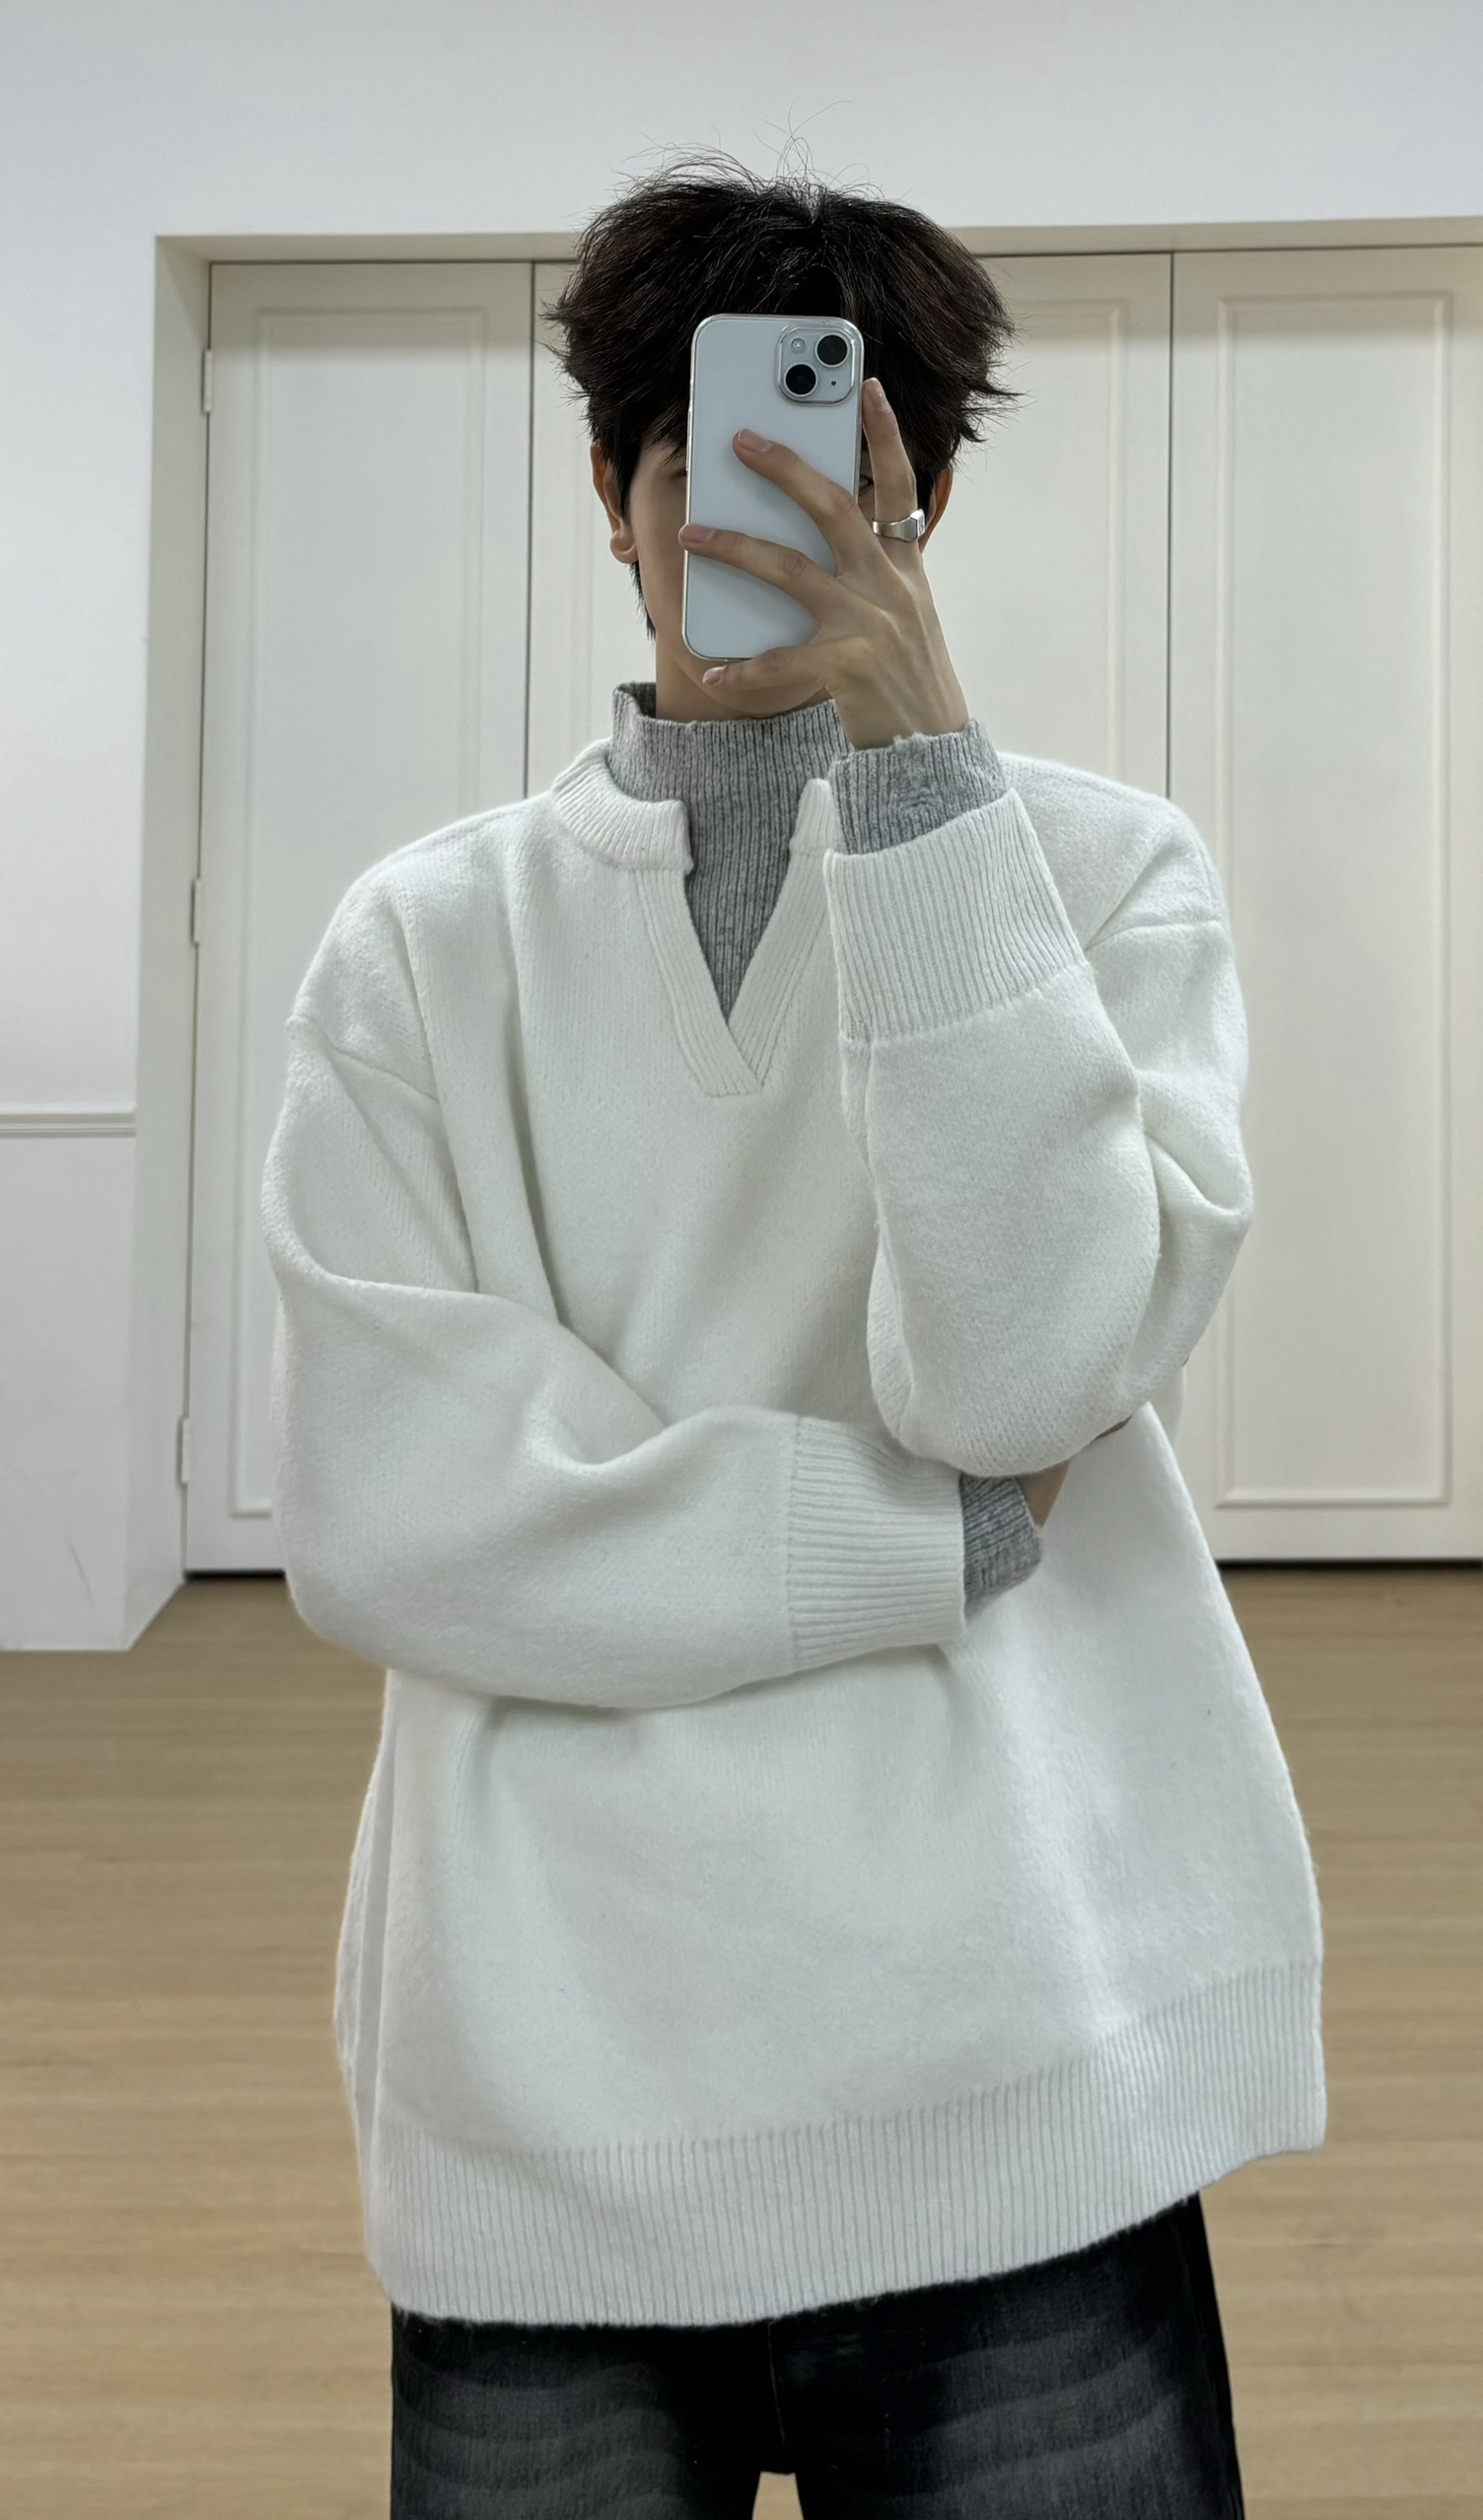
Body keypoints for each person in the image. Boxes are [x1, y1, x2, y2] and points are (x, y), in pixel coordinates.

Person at [259, 150, 1326, 2519]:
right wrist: (926, 1542)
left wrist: (924, 780)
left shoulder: (1099, 879)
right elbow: (391, 1513)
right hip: (548, 2087)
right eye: (692, 465)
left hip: (1009, 2054)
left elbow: (1020, 1377)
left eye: (832, 469)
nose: (751, 517)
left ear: (918, 501)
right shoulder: (420, 946)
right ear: (608, 502)